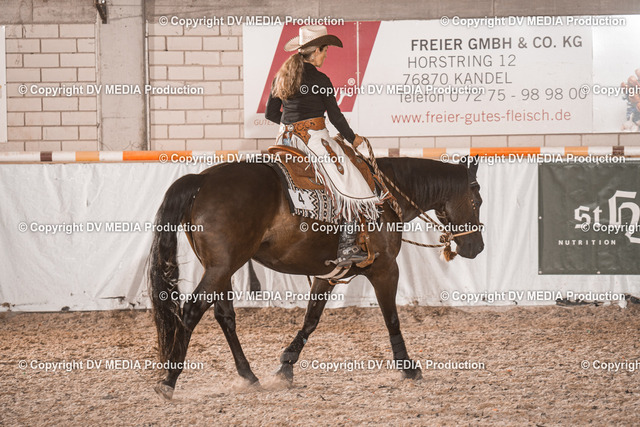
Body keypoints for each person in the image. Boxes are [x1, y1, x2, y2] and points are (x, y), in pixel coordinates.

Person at [265, 25, 381, 267]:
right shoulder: (320, 79)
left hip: (284, 140)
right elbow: (336, 117)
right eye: (325, 51)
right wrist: (353, 139)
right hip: (313, 140)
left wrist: (291, 125)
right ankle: (347, 246)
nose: (326, 56)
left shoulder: (281, 75)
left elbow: (270, 114)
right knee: (353, 181)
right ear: (316, 50)